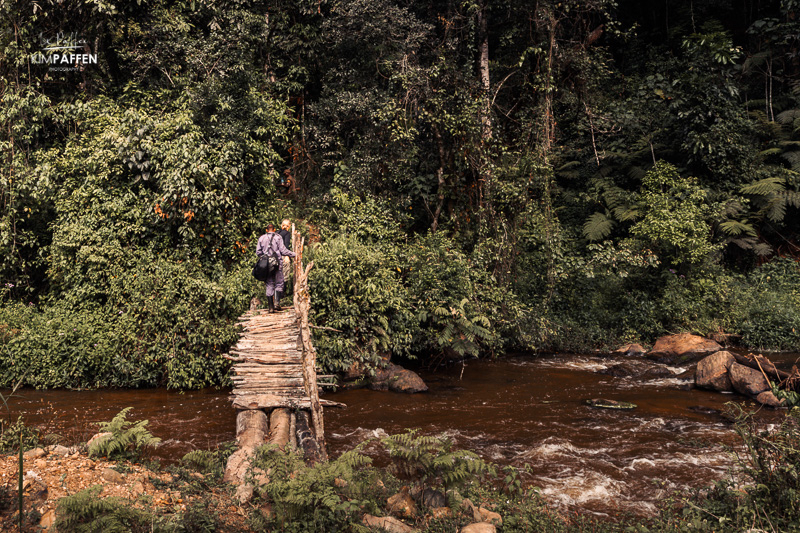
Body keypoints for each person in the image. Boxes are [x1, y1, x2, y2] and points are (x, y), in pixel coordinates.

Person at [256, 224, 296, 312]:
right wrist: (293, 254)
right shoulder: (278, 237)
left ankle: (270, 307)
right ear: (274, 230)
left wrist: (265, 257)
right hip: (277, 264)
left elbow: (258, 252)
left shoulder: (261, 238)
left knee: (269, 283)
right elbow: (283, 250)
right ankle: (277, 304)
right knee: (279, 282)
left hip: (266, 265)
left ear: (267, 230)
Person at [277, 219, 293, 303]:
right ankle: (281, 298)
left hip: (274, 257)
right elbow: (286, 245)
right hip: (283, 257)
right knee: (284, 278)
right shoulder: (287, 233)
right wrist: (287, 256)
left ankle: (275, 300)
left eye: (286, 225)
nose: (285, 227)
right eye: (284, 225)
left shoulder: (276, 233)